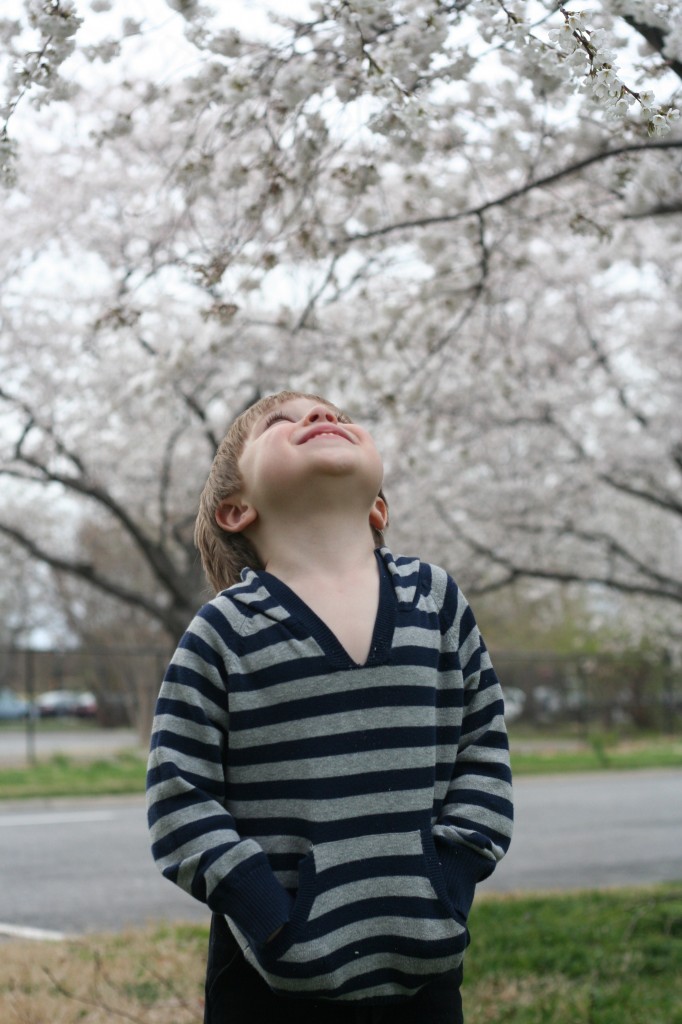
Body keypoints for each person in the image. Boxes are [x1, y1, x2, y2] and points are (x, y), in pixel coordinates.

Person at [146, 390, 513, 1024]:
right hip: (268, 978)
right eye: (281, 423)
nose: (321, 418)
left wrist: (451, 879)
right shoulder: (224, 632)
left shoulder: (435, 600)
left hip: (425, 968)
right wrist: (267, 916)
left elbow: (482, 743)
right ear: (236, 509)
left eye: (338, 416)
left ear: (378, 507)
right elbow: (179, 796)